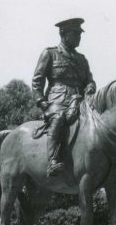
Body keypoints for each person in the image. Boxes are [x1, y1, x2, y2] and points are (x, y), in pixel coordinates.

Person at [31, 18, 97, 177]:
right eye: (75, 34)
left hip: (80, 100)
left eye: (79, 34)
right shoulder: (50, 53)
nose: (79, 37)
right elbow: (37, 80)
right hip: (57, 99)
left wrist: (90, 87)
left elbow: (90, 80)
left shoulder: (82, 59)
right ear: (64, 34)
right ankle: (52, 161)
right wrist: (41, 101)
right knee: (58, 119)